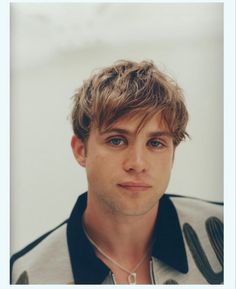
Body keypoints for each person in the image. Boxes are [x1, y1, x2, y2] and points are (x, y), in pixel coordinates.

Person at [10, 60, 223, 284]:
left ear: (173, 155)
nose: (137, 163)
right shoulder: (24, 276)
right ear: (81, 151)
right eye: (117, 140)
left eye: (156, 143)